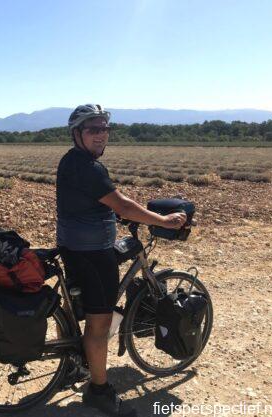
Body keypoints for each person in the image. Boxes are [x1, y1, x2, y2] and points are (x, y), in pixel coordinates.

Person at [56, 104, 186, 417]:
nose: (101, 134)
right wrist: (163, 221)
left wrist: (115, 213)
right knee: (98, 324)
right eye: (93, 129)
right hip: (91, 253)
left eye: (104, 129)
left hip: (74, 247)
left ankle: (73, 366)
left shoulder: (73, 161)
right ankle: (99, 391)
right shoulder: (88, 167)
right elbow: (122, 205)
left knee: (76, 306)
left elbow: (100, 202)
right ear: (78, 134)